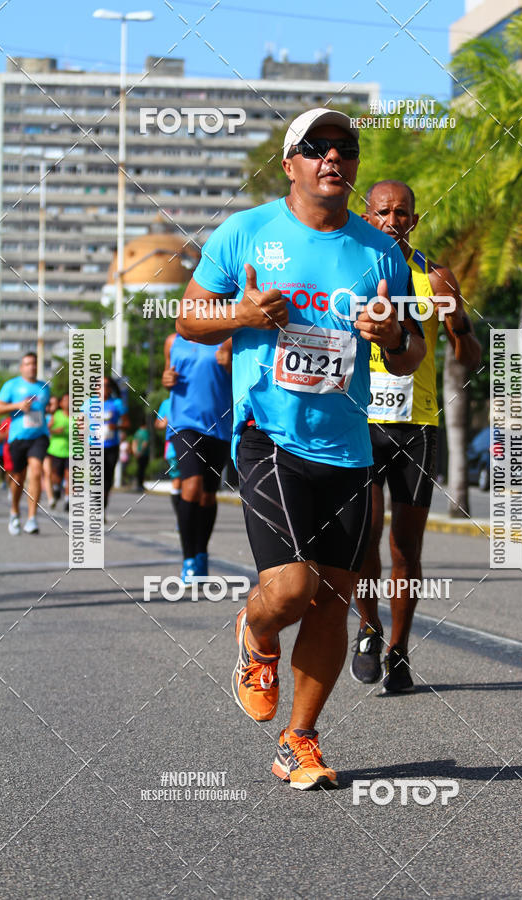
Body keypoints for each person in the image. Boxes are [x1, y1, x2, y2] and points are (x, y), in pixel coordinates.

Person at [177, 109, 426, 789]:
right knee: (289, 589)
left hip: (347, 446)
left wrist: (391, 336)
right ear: (291, 163)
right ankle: (255, 639)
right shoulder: (246, 232)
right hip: (269, 435)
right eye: (316, 148)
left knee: (333, 601)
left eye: (345, 148)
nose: (333, 158)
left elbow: (410, 357)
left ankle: (301, 739)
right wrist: (243, 315)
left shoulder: (381, 252)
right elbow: (188, 318)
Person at [350, 180, 481, 692]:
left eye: (401, 213)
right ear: (367, 216)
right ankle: (367, 627)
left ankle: (399, 651)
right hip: (359, 425)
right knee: (364, 537)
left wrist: (463, 331)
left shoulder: (436, 279)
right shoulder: (350, 271)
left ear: (414, 220)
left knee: (405, 548)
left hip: (417, 425)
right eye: (382, 211)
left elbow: (468, 360)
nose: (392, 220)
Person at [161, 332, 232, 584]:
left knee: (207, 495)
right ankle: (188, 558)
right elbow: (167, 375)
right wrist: (166, 379)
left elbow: (242, 378)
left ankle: (201, 553)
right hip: (184, 424)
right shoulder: (173, 341)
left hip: (220, 425)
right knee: (191, 487)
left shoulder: (226, 339)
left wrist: (230, 366)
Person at [0, 351, 51, 535]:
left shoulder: (44, 387)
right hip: (18, 438)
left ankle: (32, 518)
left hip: (39, 436)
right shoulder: (11, 385)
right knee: (17, 479)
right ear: (22, 367)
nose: (32, 367)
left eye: (34, 363)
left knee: (36, 471)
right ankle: (14, 511)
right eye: (28, 364)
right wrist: (16, 406)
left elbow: (45, 410)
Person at [87, 376, 129, 519]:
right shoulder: (88, 404)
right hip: (94, 446)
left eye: (106, 385)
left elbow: (127, 423)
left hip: (111, 445)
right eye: (100, 385)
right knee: (97, 477)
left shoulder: (117, 404)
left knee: (108, 480)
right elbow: (79, 423)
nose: (104, 388)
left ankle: (101, 508)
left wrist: (116, 426)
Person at [155, 395, 182, 517]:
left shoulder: (194, 398)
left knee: (190, 479)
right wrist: (165, 421)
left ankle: (186, 517)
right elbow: (158, 424)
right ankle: (180, 517)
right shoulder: (166, 403)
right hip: (173, 446)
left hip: (195, 443)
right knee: (177, 479)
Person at [46, 393, 70, 512]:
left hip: (72, 451)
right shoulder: (56, 415)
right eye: (66, 400)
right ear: (61, 403)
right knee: (56, 476)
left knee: (70, 476)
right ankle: (56, 487)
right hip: (56, 450)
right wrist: (56, 431)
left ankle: (68, 500)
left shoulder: (77, 416)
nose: (68, 402)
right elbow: (47, 429)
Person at [43, 396, 59, 508]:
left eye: (54, 404)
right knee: (47, 473)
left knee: (52, 473)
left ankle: (56, 488)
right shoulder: (43, 417)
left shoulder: (59, 416)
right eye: (50, 404)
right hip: (43, 448)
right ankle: (50, 497)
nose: (52, 407)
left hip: (56, 448)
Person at [132, 420, 150, 492]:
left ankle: (138, 484)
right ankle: (140, 485)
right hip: (143, 454)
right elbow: (145, 443)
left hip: (137, 453)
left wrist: (135, 452)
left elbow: (134, 442)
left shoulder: (137, 432)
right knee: (142, 470)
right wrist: (141, 452)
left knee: (139, 469)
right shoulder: (145, 432)